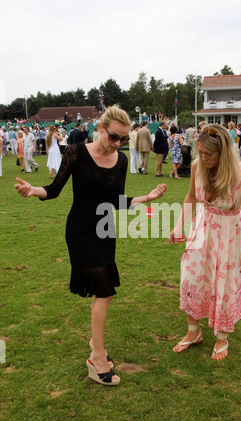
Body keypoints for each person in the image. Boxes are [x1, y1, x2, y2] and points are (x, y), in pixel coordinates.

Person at [15, 106, 167, 387]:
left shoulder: (120, 161)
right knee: (103, 290)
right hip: (81, 230)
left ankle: (96, 346)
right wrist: (33, 191)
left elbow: (116, 201)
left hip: (106, 230)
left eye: (122, 139)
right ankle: (97, 356)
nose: (117, 143)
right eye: (113, 137)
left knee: (105, 292)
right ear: (100, 128)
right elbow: (54, 189)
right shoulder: (77, 152)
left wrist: (147, 197)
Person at [169, 124, 241, 361]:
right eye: (201, 152)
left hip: (230, 236)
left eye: (209, 154)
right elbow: (190, 197)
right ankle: (193, 332)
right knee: (192, 278)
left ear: (223, 152)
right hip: (202, 229)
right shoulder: (199, 166)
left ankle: (222, 337)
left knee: (225, 284)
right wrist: (179, 226)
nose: (203, 158)